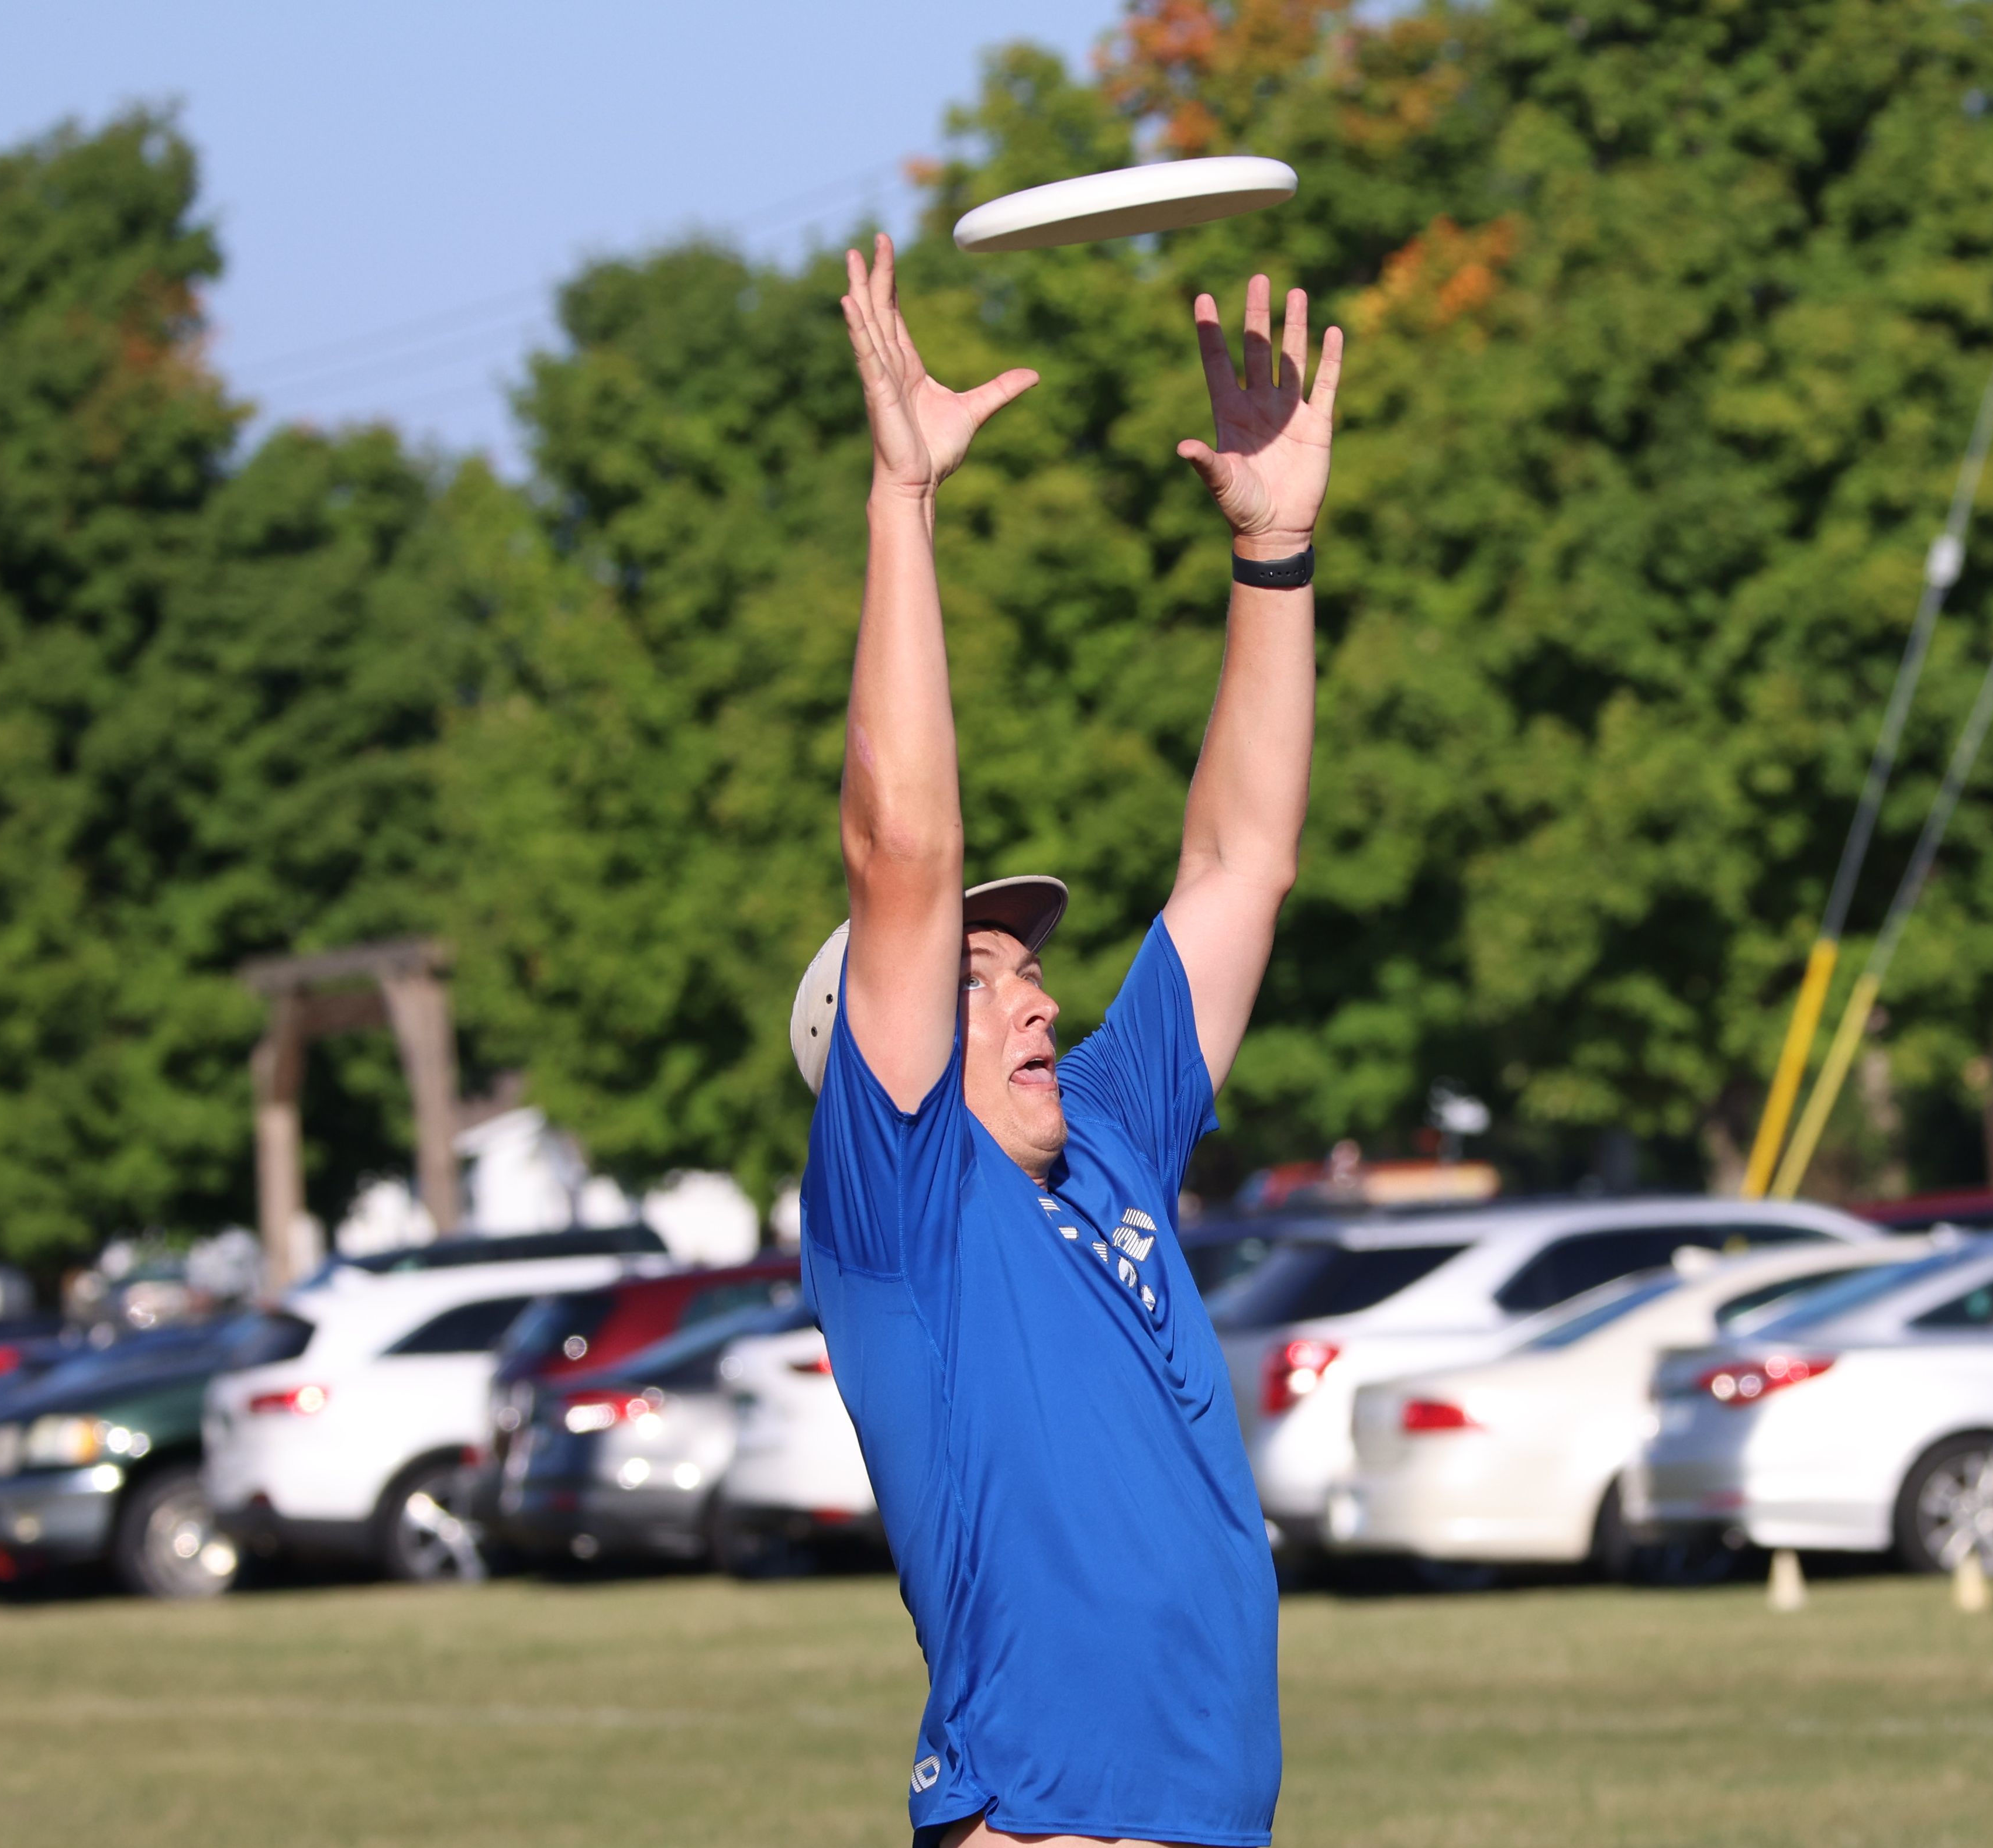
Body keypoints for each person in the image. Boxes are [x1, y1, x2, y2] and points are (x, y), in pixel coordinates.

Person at [790, 233, 1341, 1848]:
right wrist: (904, 501)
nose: (1037, 995)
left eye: (1031, 970)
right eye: (980, 978)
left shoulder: (1103, 1135)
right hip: (1051, 1827)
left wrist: (1275, 554)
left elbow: (1240, 866)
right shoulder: (902, 1206)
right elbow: (902, 850)